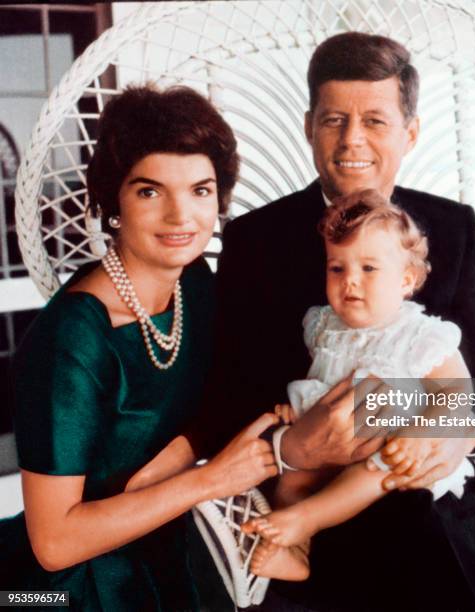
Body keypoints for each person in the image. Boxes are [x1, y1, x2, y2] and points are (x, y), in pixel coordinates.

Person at [192, 32, 475, 611]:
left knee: (434, 539)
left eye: (375, 120)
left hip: (435, 492)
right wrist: (294, 449)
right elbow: (225, 397)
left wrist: (456, 435)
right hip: (312, 502)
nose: (352, 140)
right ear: (308, 127)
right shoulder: (253, 242)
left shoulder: (453, 229)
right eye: (333, 120)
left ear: (411, 132)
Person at [0, 84, 278, 610]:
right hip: (58, 591)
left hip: (164, 552)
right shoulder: (73, 341)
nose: (182, 217)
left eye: (200, 190)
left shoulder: (192, 282)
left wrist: (185, 452)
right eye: (150, 191)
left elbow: (225, 394)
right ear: (113, 203)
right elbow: (54, 544)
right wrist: (208, 481)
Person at [243, 189, 475, 580]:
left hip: (391, 447)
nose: (350, 281)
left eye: (369, 269)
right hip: (332, 442)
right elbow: (323, 383)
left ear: (406, 280)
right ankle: (298, 552)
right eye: (337, 268)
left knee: (378, 460)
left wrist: (424, 433)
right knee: (292, 477)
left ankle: (308, 520)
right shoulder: (323, 326)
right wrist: (296, 408)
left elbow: (457, 393)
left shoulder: (418, 335)